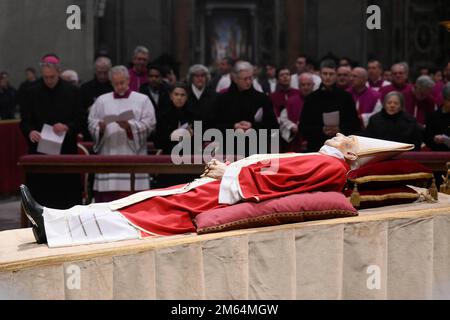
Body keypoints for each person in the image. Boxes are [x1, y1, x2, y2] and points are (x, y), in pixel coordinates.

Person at [20, 132, 359, 247]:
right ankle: (55, 223)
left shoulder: (328, 162)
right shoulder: (327, 160)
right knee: (147, 204)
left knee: (147, 212)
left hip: (229, 192)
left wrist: (229, 172)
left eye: (346, 138)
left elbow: (277, 178)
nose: (339, 135)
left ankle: (53, 224)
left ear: (351, 153)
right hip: (230, 187)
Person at [19, 54, 83, 209]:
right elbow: (25, 121)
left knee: (66, 198)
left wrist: (67, 127)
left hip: (65, 151)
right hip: (40, 152)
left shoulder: (72, 91)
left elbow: (81, 120)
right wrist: (30, 132)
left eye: (52, 77)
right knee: (40, 198)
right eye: (46, 77)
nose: (49, 81)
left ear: (58, 72)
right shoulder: (31, 92)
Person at [88, 66, 156, 202]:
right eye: (116, 83)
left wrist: (130, 127)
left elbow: (150, 124)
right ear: (111, 82)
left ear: (128, 80)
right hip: (108, 153)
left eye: (122, 83)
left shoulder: (143, 100)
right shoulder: (102, 100)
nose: (119, 86)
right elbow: (91, 122)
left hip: (132, 155)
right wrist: (99, 128)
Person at [213, 61, 279, 156]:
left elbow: (273, 126)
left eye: (250, 78)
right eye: (245, 79)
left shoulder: (262, 98)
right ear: (235, 79)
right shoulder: (222, 99)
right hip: (229, 150)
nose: (248, 82)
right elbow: (214, 125)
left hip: (256, 149)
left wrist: (253, 126)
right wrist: (233, 126)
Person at [299, 59, 361, 152]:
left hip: (341, 148)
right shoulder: (311, 98)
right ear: (320, 74)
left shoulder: (346, 97)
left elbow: (355, 124)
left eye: (331, 74)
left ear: (336, 75)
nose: (328, 77)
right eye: (325, 73)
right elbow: (303, 127)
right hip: (316, 146)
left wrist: (339, 129)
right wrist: (322, 130)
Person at [154, 82, 195, 155]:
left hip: (188, 156)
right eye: (176, 94)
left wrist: (193, 135)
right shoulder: (163, 115)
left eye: (182, 95)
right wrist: (172, 136)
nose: (179, 98)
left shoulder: (194, 114)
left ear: (187, 97)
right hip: (168, 155)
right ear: (171, 96)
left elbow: (199, 143)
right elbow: (157, 143)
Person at [80, 57, 114, 140]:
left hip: (112, 129)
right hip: (91, 132)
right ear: (95, 71)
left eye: (105, 73)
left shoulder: (115, 87)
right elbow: (79, 111)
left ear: (110, 71)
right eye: (99, 73)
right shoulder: (85, 88)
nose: (102, 76)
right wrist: (89, 110)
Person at [186, 64, 217, 132]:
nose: (200, 78)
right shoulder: (185, 94)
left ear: (206, 78)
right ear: (191, 78)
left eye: (202, 76)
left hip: (208, 135)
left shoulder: (214, 96)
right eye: (197, 76)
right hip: (188, 136)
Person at [424, 83, 450, 151]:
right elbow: (427, 140)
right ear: (444, 99)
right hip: (438, 155)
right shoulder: (433, 117)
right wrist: (434, 139)